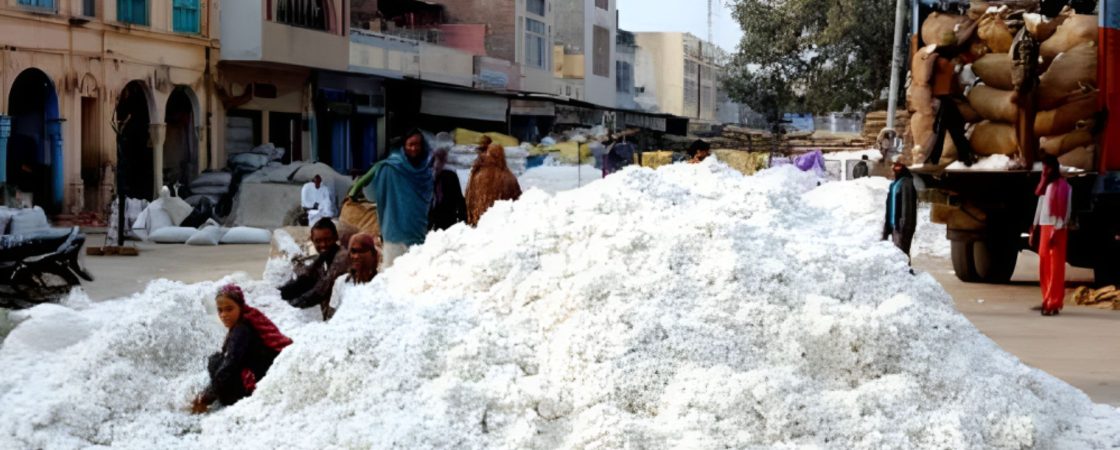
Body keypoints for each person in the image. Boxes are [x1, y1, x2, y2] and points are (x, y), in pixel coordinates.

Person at [191, 284, 291, 413]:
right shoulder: (249, 319)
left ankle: (226, 401)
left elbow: (229, 365)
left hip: (256, 384)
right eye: (220, 310)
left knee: (215, 362)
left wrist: (204, 398)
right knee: (217, 360)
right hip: (262, 373)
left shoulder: (241, 330)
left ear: (240, 307)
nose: (224, 315)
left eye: (229, 309)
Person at [348, 129, 434, 269]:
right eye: (410, 144)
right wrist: (361, 185)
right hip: (395, 230)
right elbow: (373, 194)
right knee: (394, 272)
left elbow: (429, 196)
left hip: (418, 228)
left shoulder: (425, 170)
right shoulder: (391, 167)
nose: (414, 148)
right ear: (404, 146)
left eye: (418, 144)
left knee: (416, 273)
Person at [280, 218, 350, 320]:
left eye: (327, 240)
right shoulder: (324, 256)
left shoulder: (342, 257)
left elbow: (322, 289)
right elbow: (305, 278)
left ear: (335, 238)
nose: (323, 244)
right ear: (312, 240)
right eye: (318, 241)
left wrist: (291, 305)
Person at [925, 33, 976, 167]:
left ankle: (965, 155)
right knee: (942, 129)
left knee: (955, 127)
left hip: (947, 98)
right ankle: (933, 158)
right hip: (942, 99)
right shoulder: (939, 60)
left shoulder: (945, 60)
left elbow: (952, 82)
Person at [1032, 157, 1072, 316]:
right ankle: (1046, 297)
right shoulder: (1045, 185)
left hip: (1057, 228)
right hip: (1044, 226)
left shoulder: (1064, 187)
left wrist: (1057, 229)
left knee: (1056, 266)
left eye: (1047, 168)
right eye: (1043, 168)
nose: (1044, 171)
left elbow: (1066, 211)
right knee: (1044, 263)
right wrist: (1034, 227)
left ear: (1054, 168)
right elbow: (1040, 206)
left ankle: (1054, 301)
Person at [466, 143, 522, 226]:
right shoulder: (509, 176)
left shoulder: (477, 173)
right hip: (501, 221)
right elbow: (517, 199)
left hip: (478, 220)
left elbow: (470, 196)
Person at [326, 233, 378, 316]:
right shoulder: (341, 282)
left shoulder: (381, 283)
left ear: (373, 254)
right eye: (353, 251)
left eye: (362, 251)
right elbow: (331, 316)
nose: (356, 256)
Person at [882, 162, 918, 262]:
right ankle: (902, 274)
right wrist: (887, 226)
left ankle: (906, 274)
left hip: (903, 226)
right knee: (897, 253)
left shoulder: (907, 183)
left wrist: (905, 225)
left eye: (898, 166)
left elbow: (907, 205)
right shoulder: (894, 184)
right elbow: (890, 204)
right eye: (894, 166)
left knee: (902, 254)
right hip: (894, 225)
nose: (894, 168)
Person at [428, 144, 467, 231]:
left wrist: (462, 219)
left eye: (439, 160)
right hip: (439, 219)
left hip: (445, 218)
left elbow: (458, 200)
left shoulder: (449, 176)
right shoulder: (429, 175)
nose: (436, 165)